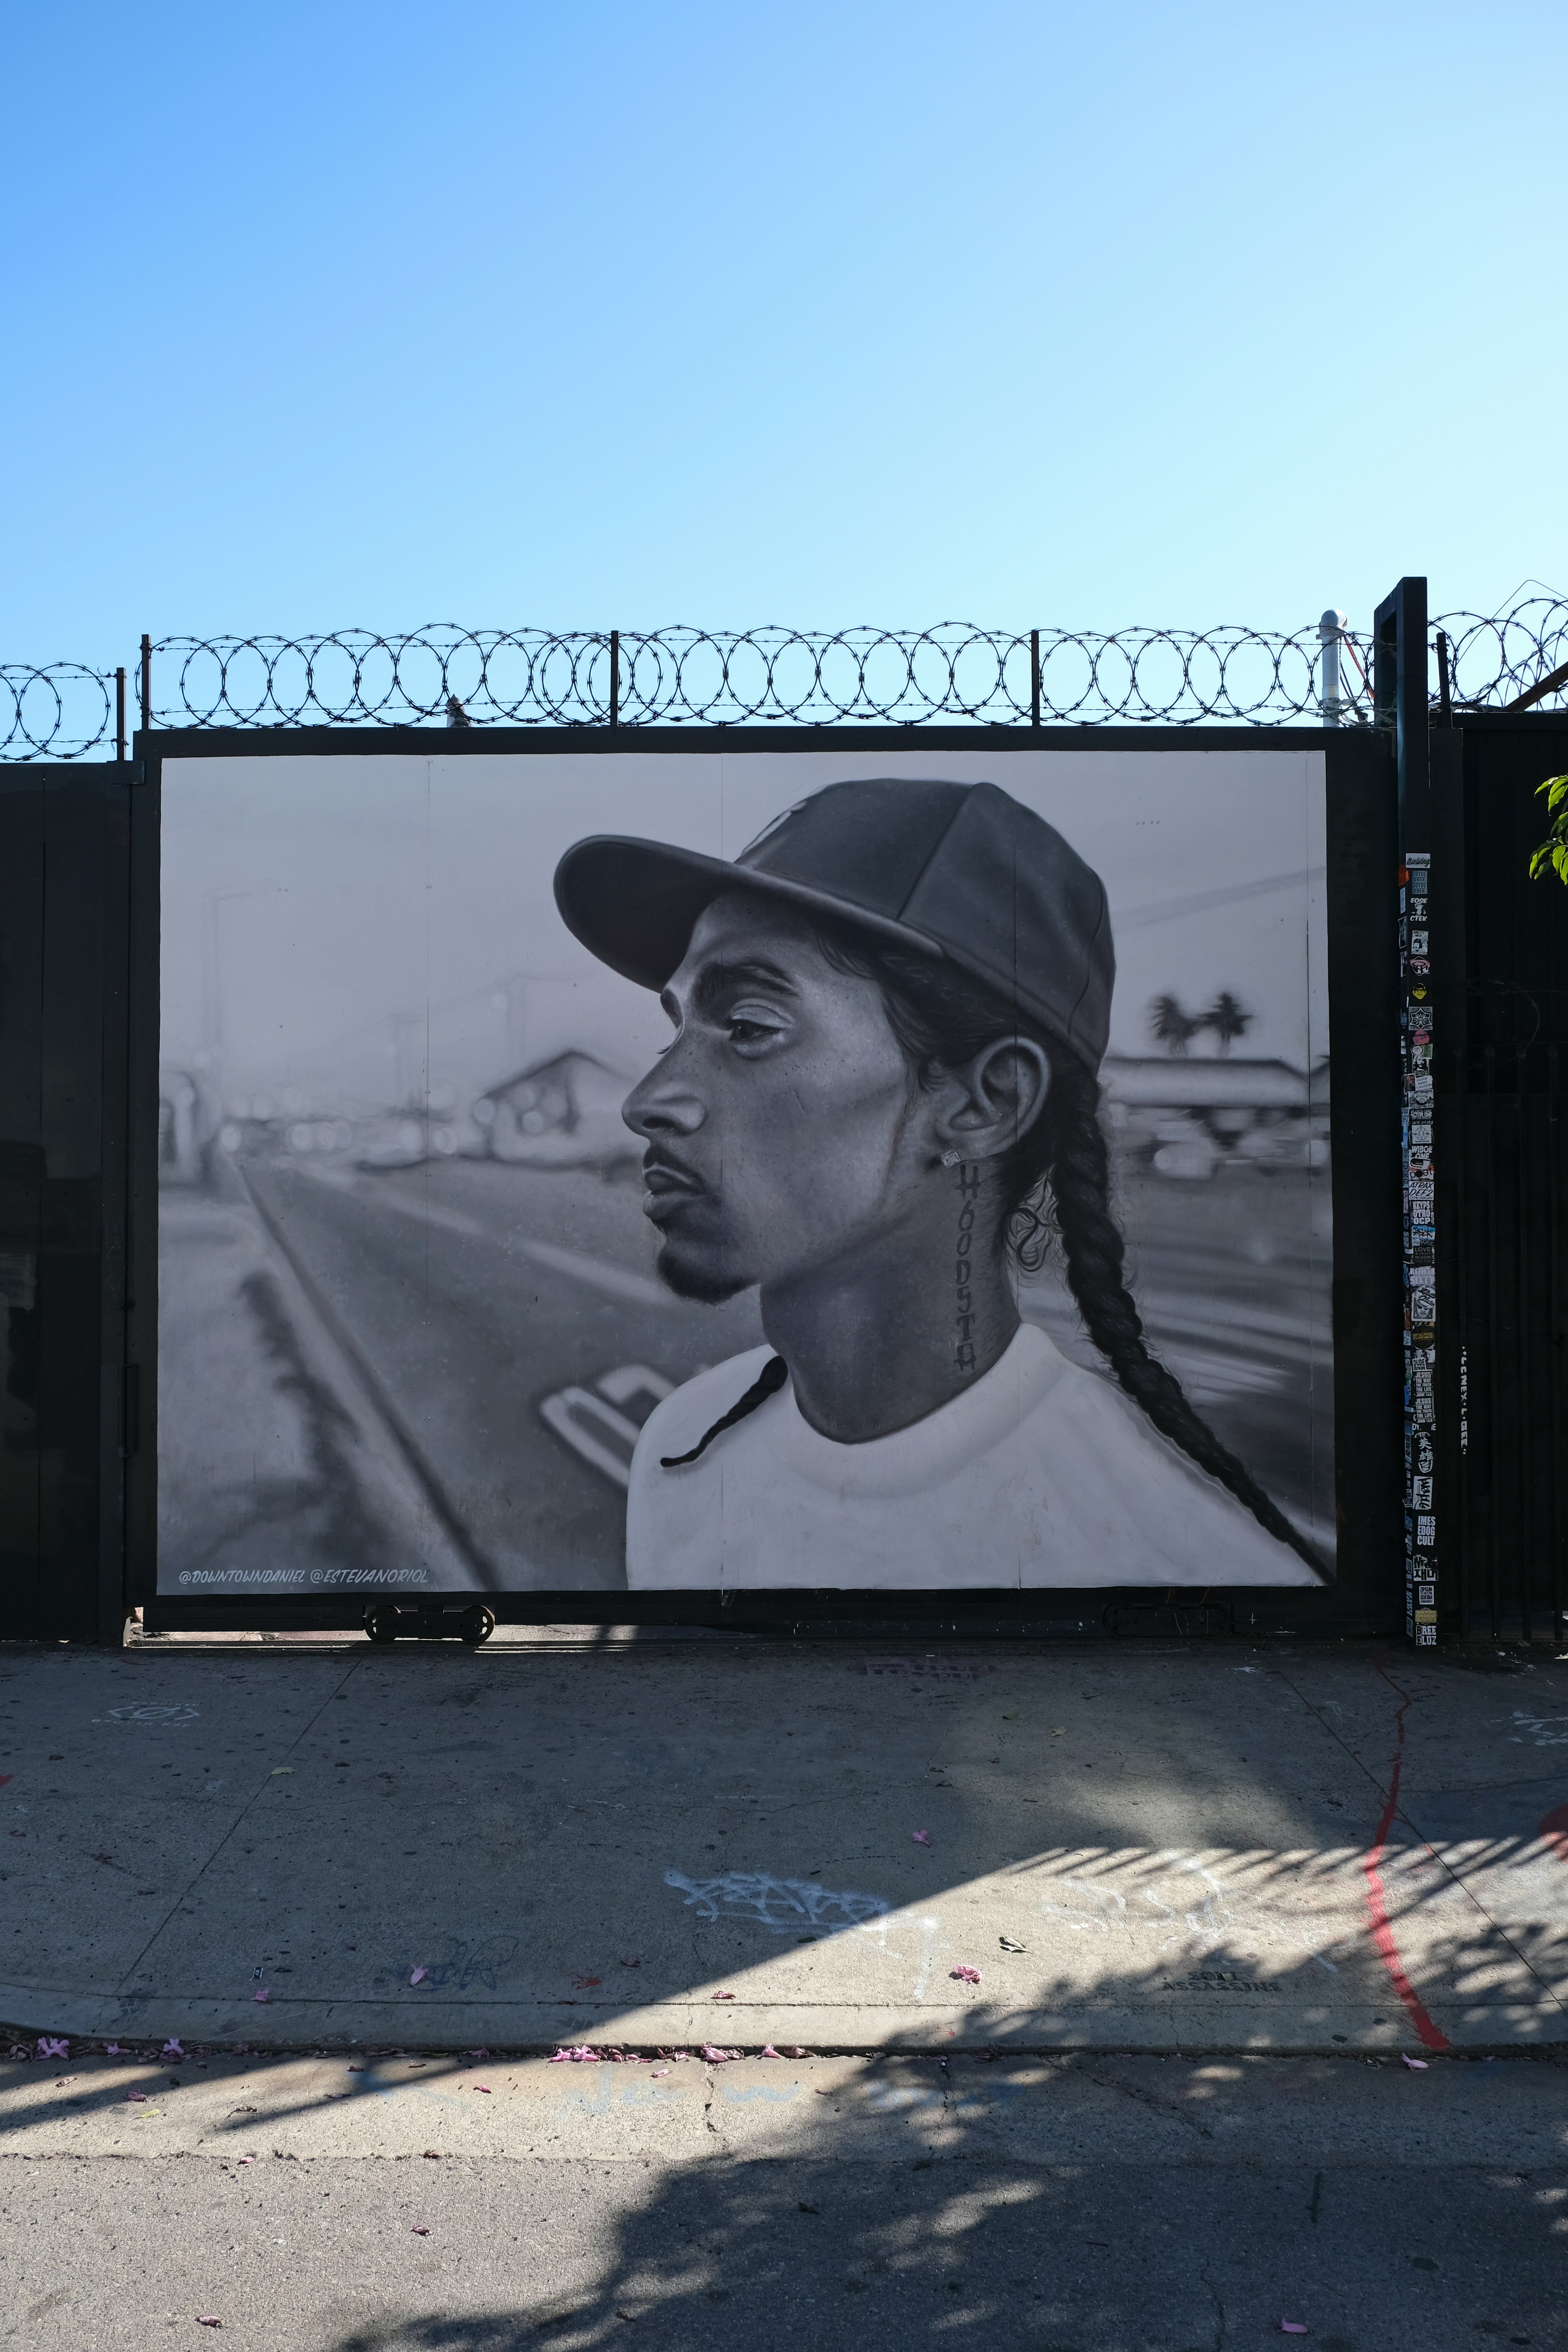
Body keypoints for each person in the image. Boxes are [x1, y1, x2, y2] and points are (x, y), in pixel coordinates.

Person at [553, 777, 1326, 1591]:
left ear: (984, 1104)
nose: (646, 1103)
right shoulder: (684, 1444)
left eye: (748, 1029)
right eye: (677, 1030)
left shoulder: (1184, 1571)